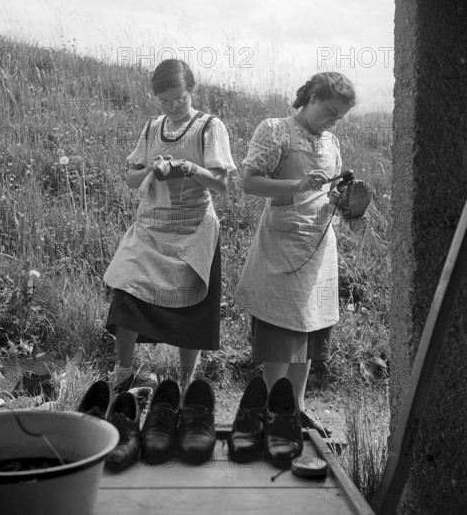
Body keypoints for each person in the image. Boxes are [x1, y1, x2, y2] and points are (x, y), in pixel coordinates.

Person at [234, 72, 356, 437]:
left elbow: (329, 189)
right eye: (330, 111)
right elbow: (249, 182)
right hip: (283, 243)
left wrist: (342, 201)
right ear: (311, 97)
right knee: (281, 332)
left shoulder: (330, 141)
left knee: (308, 327)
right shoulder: (276, 130)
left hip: (319, 246)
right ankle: (274, 407)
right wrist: (296, 185)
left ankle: (297, 408)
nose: (334, 120)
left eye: (340, 116)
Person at [104, 59, 236, 392]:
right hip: (150, 228)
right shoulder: (152, 128)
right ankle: (122, 374)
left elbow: (221, 184)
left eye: (180, 99)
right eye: (165, 101)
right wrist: (152, 168)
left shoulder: (208, 127)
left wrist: (189, 167)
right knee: (126, 290)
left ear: (192, 90)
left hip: (193, 228)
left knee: (192, 306)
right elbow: (132, 177)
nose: (173, 106)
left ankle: (186, 383)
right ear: (156, 97)